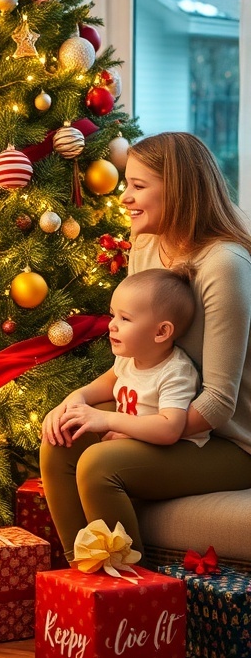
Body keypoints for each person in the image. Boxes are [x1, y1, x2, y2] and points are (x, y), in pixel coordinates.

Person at [40, 131, 251, 562]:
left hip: (232, 443)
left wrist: (132, 430)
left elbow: (217, 405)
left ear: (177, 191)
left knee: (100, 464)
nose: (125, 198)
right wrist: (77, 399)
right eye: (126, 185)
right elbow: (129, 364)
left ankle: (133, 600)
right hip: (164, 418)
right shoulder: (146, 245)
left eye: (138, 186)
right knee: (60, 440)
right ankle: (88, 581)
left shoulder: (224, 265)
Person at [55, 266, 207, 451]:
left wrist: (108, 420)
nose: (112, 324)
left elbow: (170, 429)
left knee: (98, 458)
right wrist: (76, 398)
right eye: (113, 315)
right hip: (132, 442)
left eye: (125, 319)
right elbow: (107, 383)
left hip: (171, 452)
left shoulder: (176, 372)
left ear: (161, 332)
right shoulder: (129, 358)